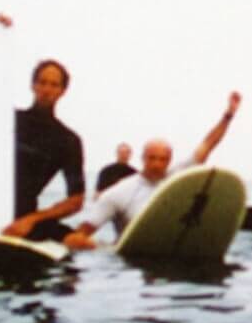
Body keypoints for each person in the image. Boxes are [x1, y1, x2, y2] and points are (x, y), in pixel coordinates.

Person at [63, 93, 241, 249]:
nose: (157, 164)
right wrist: (95, 246)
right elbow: (79, 234)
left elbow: (207, 145)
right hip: (130, 261)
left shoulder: (177, 176)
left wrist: (228, 116)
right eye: (152, 158)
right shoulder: (118, 193)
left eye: (163, 159)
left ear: (169, 160)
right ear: (142, 158)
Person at [4, 59, 86, 242]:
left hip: (26, 219)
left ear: (62, 91)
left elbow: (76, 200)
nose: (46, 89)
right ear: (33, 85)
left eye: (54, 85)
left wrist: (31, 219)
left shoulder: (68, 140)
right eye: (42, 82)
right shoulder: (7, 119)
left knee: (81, 242)